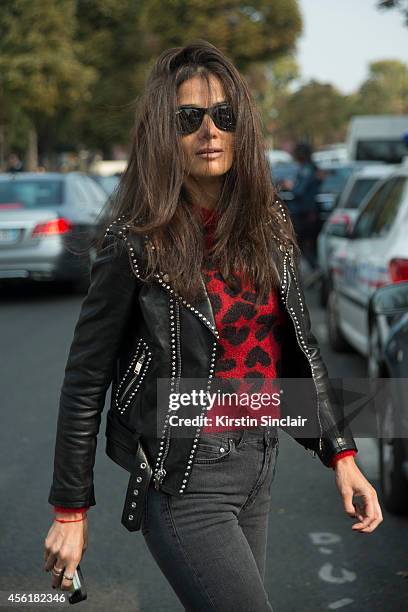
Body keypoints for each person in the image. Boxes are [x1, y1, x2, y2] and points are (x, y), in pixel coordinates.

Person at [44, 41, 382, 611]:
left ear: (242, 127)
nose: (209, 131)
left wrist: (342, 454)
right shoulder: (136, 241)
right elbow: (84, 383)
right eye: (189, 118)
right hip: (185, 475)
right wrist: (70, 511)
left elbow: (301, 348)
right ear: (162, 131)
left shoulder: (268, 223)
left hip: (259, 461)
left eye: (224, 116)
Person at [282, 142, 321, 276]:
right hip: (304, 212)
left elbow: (299, 191)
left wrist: (290, 186)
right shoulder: (308, 168)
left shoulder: (307, 170)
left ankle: (314, 270)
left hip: (304, 213)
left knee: (300, 244)